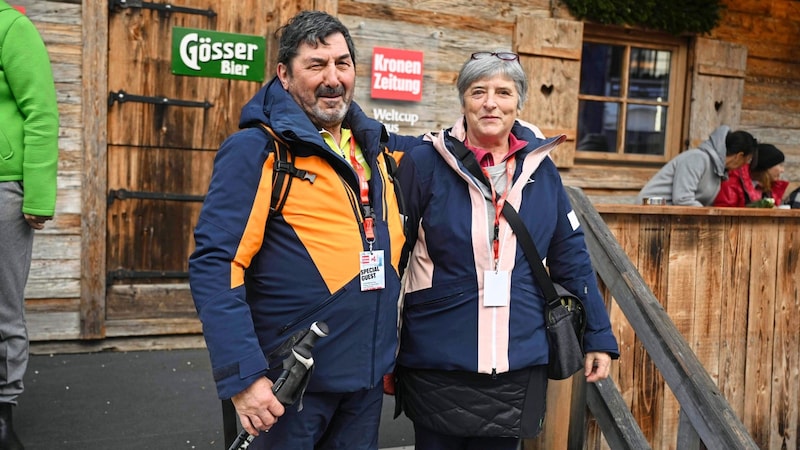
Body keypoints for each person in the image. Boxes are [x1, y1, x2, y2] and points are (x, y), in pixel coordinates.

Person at [188, 10, 420, 450]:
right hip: (286, 387)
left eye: (342, 63)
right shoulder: (258, 149)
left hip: (363, 384)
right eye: (316, 65)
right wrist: (244, 378)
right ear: (285, 74)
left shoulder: (376, 150)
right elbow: (217, 265)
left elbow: (461, 147)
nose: (333, 78)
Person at [392, 51, 620, 449]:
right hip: (438, 354)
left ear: (519, 103)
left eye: (503, 92)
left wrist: (598, 335)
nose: (490, 102)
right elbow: (397, 255)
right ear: (463, 101)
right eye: (478, 91)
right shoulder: (425, 163)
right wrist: (382, 347)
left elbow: (572, 256)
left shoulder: (541, 170)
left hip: (517, 355)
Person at [0, 3, 60, 449]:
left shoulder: (12, 26)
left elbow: (40, 113)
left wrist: (37, 195)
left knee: (3, 307)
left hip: (3, 187)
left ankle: (3, 413)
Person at [636, 126, 758, 206]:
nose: (743, 166)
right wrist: (708, 215)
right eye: (746, 161)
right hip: (650, 213)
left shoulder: (718, 171)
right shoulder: (697, 158)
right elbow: (682, 199)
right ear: (739, 156)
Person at [714, 143, 788, 207]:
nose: (782, 170)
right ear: (767, 167)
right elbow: (724, 216)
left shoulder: (770, 188)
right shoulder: (732, 184)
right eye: (780, 165)